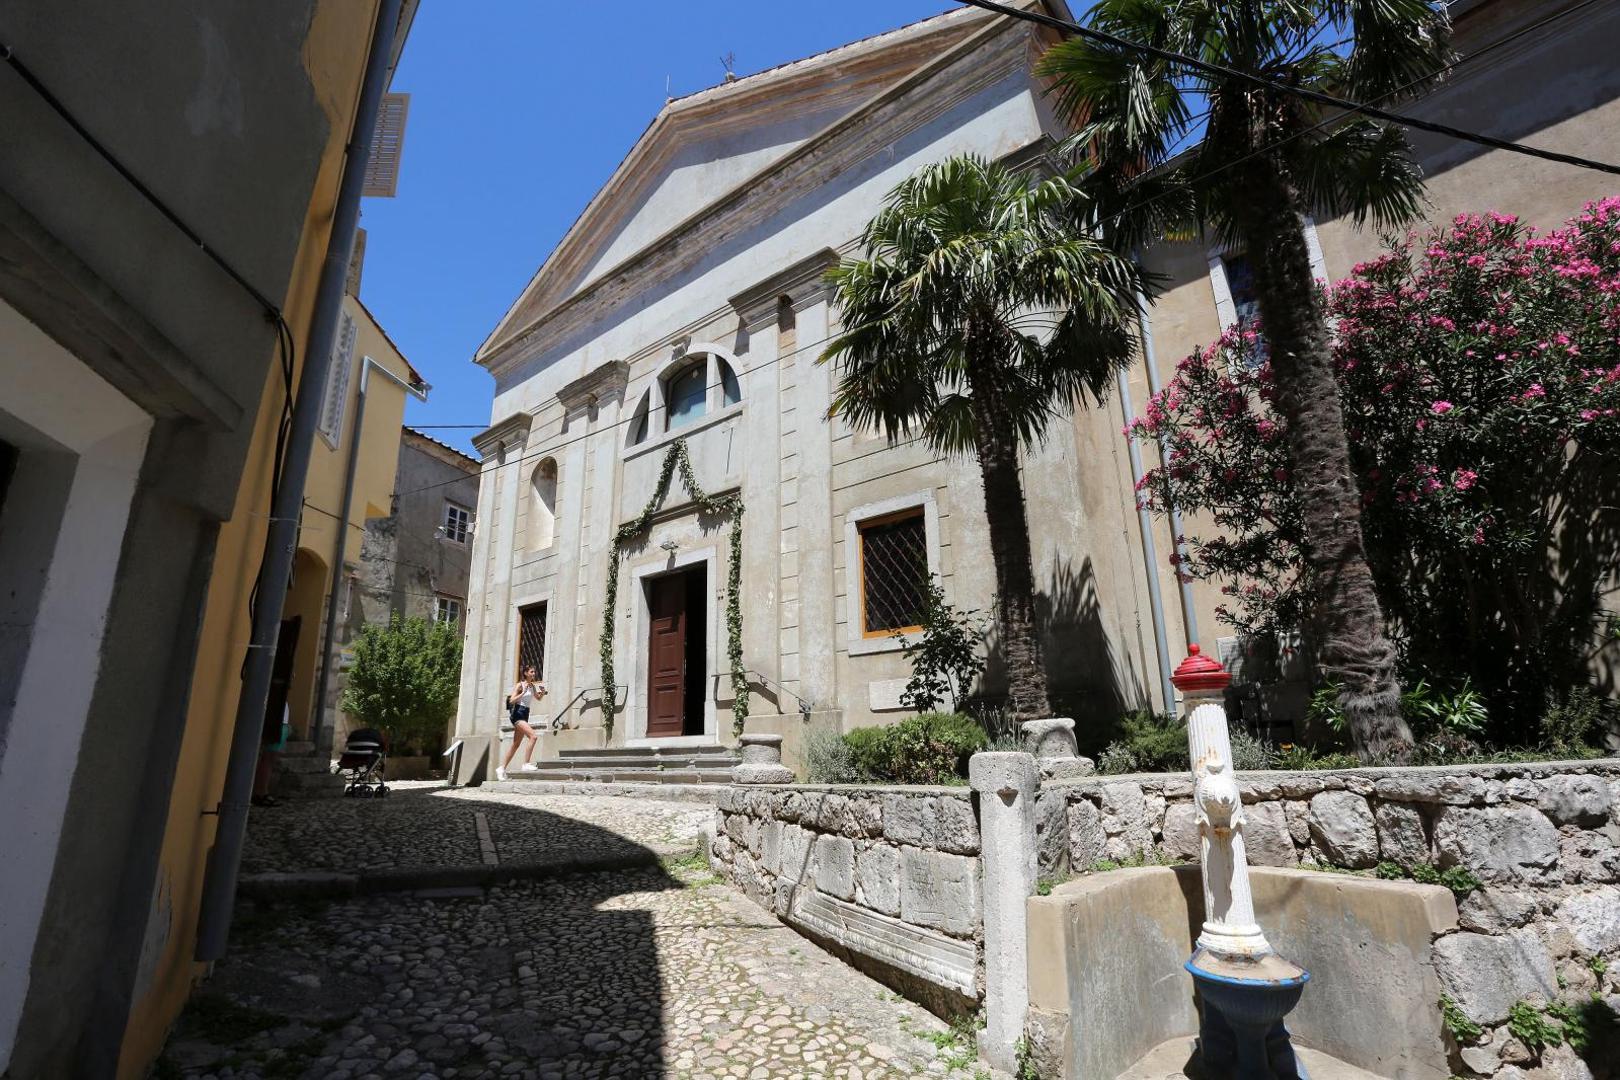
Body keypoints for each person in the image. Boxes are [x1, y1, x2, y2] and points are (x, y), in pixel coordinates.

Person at [497, 666, 546, 781]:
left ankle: (501, 768)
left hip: (525, 714)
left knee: (516, 744)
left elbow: (538, 698)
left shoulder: (532, 686)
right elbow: (512, 700)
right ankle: (526, 764)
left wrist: (542, 693)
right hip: (518, 713)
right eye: (531, 672)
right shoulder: (520, 685)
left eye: (534, 672)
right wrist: (523, 692)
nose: (534, 673)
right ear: (526, 673)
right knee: (533, 736)